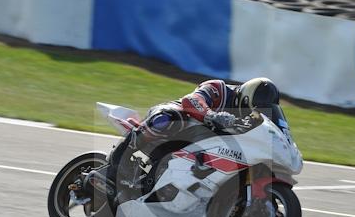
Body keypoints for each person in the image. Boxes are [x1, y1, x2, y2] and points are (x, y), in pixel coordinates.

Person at [86, 77, 284, 191]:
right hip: (178, 120)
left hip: (198, 149)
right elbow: (192, 100)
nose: (254, 114)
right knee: (169, 118)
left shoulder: (252, 119)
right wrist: (211, 115)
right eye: (254, 108)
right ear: (246, 98)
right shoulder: (220, 89)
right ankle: (112, 171)